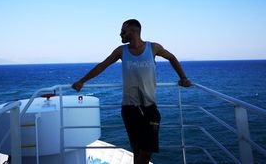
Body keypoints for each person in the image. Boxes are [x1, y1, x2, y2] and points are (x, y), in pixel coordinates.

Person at [72, 19, 191, 164]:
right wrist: (82, 81)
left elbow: (171, 57)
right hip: (129, 108)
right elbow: (102, 66)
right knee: (137, 149)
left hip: (150, 108)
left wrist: (183, 78)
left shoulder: (153, 48)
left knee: (147, 150)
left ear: (133, 31)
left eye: (123, 31)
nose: (120, 34)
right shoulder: (121, 51)